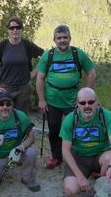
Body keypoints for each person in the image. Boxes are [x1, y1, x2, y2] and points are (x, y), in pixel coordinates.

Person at [36, 25, 96, 169]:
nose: (62, 40)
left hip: (74, 102)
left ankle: (76, 158)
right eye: (59, 38)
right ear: (54, 40)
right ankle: (57, 157)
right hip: (52, 101)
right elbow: (39, 79)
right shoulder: (48, 55)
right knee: (54, 129)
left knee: (76, 129)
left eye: (65, 37)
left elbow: (92, 73)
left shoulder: (78, 54)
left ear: (70, 38)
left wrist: (84, 95)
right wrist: (42, 100)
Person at [60, 88, 111, 197]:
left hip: (101, 155)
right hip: (79, 158)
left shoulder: (107, 116)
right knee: (70, 191)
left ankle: (102, 183)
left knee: (109, 159)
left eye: (91, 102)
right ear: (77, 103)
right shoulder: (70, 119)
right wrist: (80, 177)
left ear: (97, 101)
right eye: (82, 103)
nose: (86, 106)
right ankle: (87, 175)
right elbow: (65, 150)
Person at [0, 91, 40, 192]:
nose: (5, 107)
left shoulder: (20, 116)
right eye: (1, 104)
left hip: (16, 153)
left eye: (8, 104)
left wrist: (21, 147)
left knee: (31, 153)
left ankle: (27, 178)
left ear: (12, 105)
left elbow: (31, 138)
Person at [0, 16, 44, 112]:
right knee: (3, 115)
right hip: (5, 88)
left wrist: (34, 73)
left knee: (21, 118)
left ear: (21, 29)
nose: (15, 30)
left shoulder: (27, 45)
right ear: (8, 30)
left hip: (24, 89)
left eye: (18, 27)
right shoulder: (2, 45)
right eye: (12, 28)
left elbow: (44, 55)